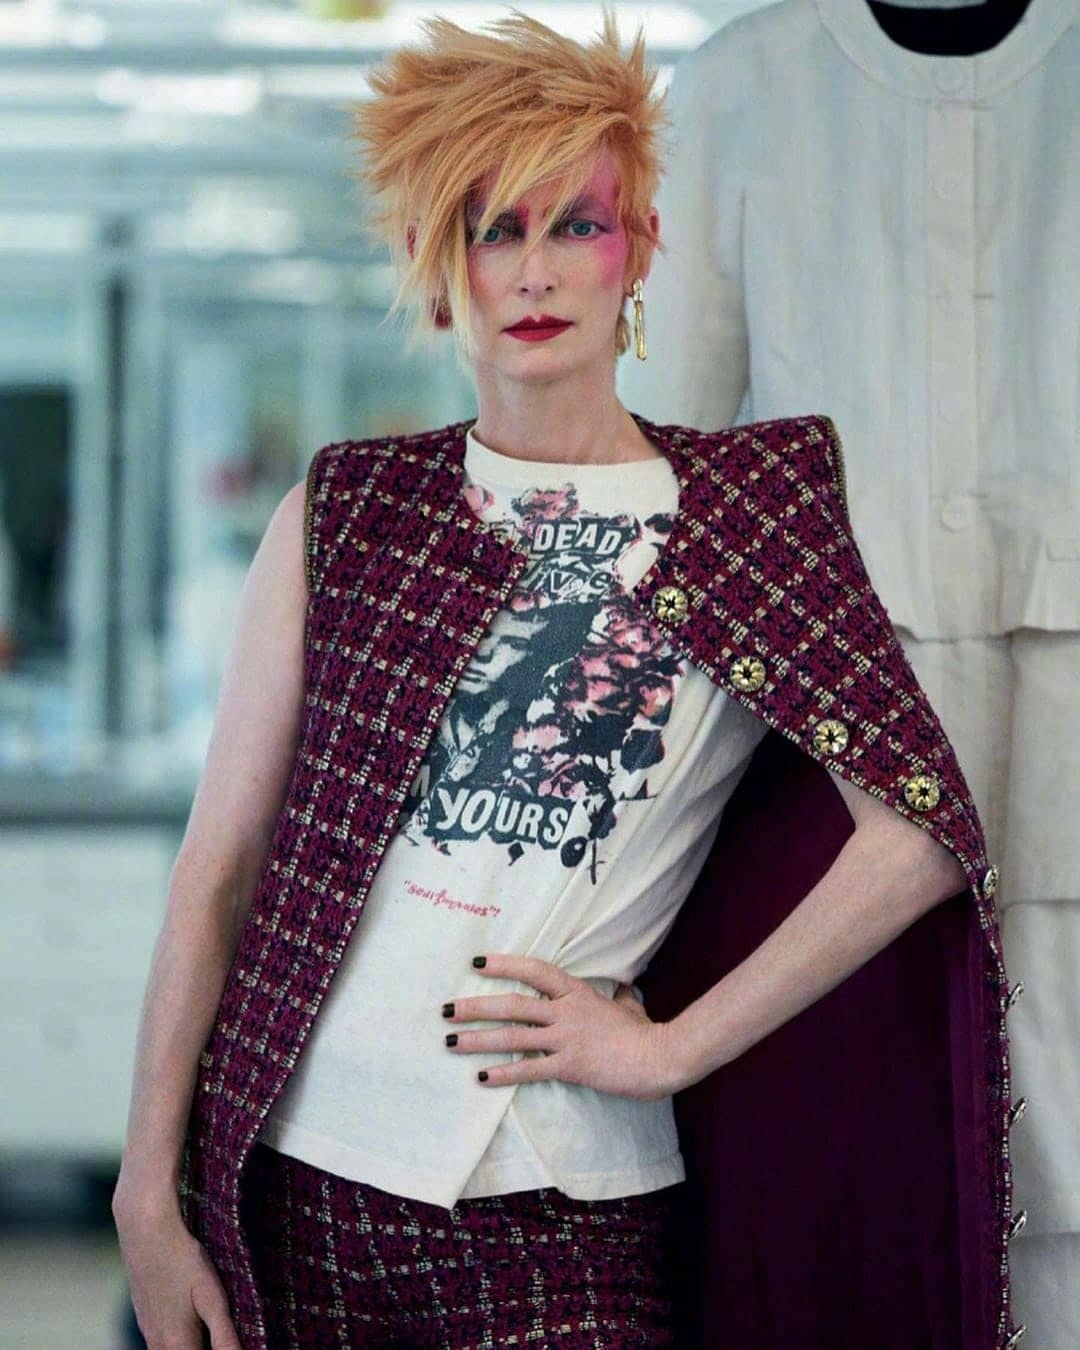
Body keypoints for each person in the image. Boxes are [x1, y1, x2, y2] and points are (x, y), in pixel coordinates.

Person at [111, 11, 1025, 1348]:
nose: (536, 271)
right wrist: (147, 1190)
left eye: (577, 224)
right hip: (298, 1176)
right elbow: (220, 869)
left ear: (638, 247)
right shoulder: (352, 508)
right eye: (495, 230)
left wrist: (670, 1046)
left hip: (563, 1200)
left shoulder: (746, 514)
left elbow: (921, 832)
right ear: (440, 268)